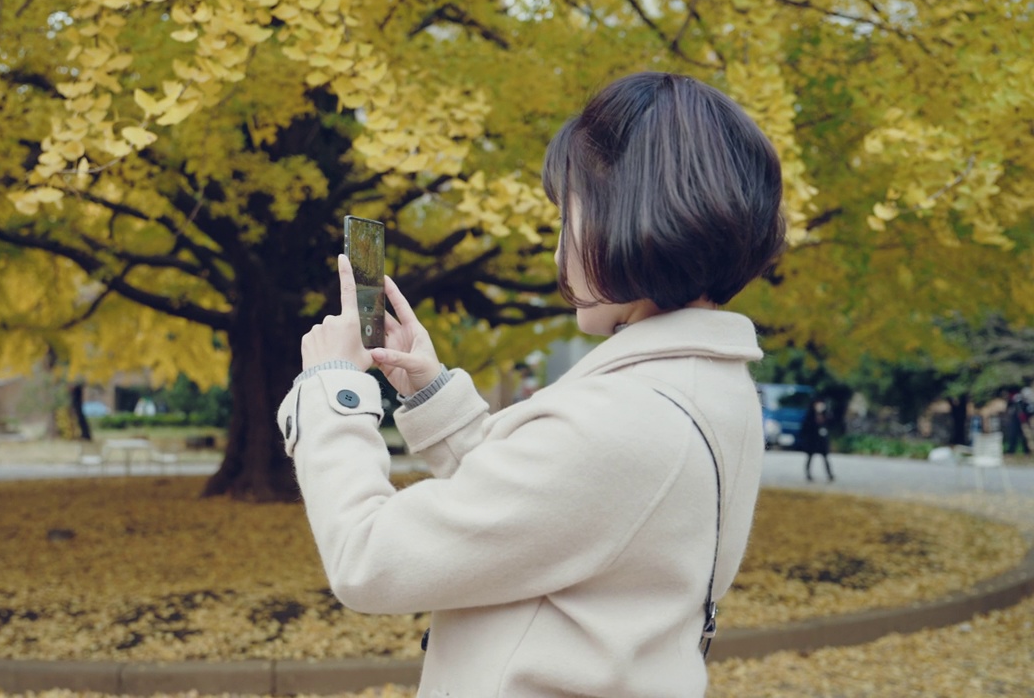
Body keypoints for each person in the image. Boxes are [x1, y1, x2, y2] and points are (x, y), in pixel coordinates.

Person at [277, 72, 785, 696]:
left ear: (626, 217)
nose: (559, 251)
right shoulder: (708, 388)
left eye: (567, 219)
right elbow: (553, 512)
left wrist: (333, 393)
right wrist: (431, 390)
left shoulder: (621, 420)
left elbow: (371, 559)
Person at [799, 399, 834, 482]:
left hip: (822, 440)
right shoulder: (810, 415)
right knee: (810, 457)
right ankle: (808, 474)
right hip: (813, 440)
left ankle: (829, 474)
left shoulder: (825, 415)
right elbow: (805, 427)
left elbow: (830, 423)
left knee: (825, 458)